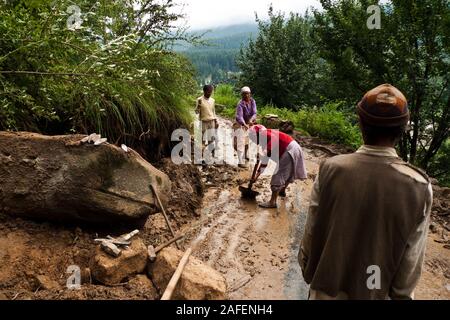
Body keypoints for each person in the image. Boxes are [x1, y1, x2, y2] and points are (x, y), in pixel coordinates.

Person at [299, 84, 433, 300]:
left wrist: (308, 270)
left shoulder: (330, 169)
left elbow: (312, 230)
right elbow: (410, 263)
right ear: (402, 130)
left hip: (325, 290)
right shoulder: (418, 186)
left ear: (360, 124)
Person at [249, 125, 308, 208]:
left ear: (256, 135)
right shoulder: (264, 141)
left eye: (252, 138)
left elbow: (274, 139)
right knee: (288, 172)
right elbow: (264, 162)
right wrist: (256, 176)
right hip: (294, 148)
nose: (253, 141)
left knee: (278, 175)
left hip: (288, 150)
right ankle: (282, 191)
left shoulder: (264, 133)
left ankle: (272, 202)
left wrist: (265, 152)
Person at [233, 86, 257, 168]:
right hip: (240, 124)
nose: (246, 95)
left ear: (250, 94)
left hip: (248, 123)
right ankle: (240, 161)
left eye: (248, 94)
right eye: (244, 94)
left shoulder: (252, 101)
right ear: (242, 95)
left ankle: (246, 155)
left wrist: (251, 120)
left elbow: (254, 113)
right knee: (240, 142)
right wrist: (244, 124)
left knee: (247, 141)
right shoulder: (240, 104)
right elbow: (239, 116)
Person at [196, 85, 218, 161]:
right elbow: (196, 112)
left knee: (211, 139)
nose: (209, 93)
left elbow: (213, 111)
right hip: (203, 122)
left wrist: (216, 121)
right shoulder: (199, 100)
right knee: (202, 139)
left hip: (211, 121)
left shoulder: (213, 100)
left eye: (211, 92)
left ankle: (210, 155)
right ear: (204, 91)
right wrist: (198, 106)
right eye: (208, 92)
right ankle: (201, 155)